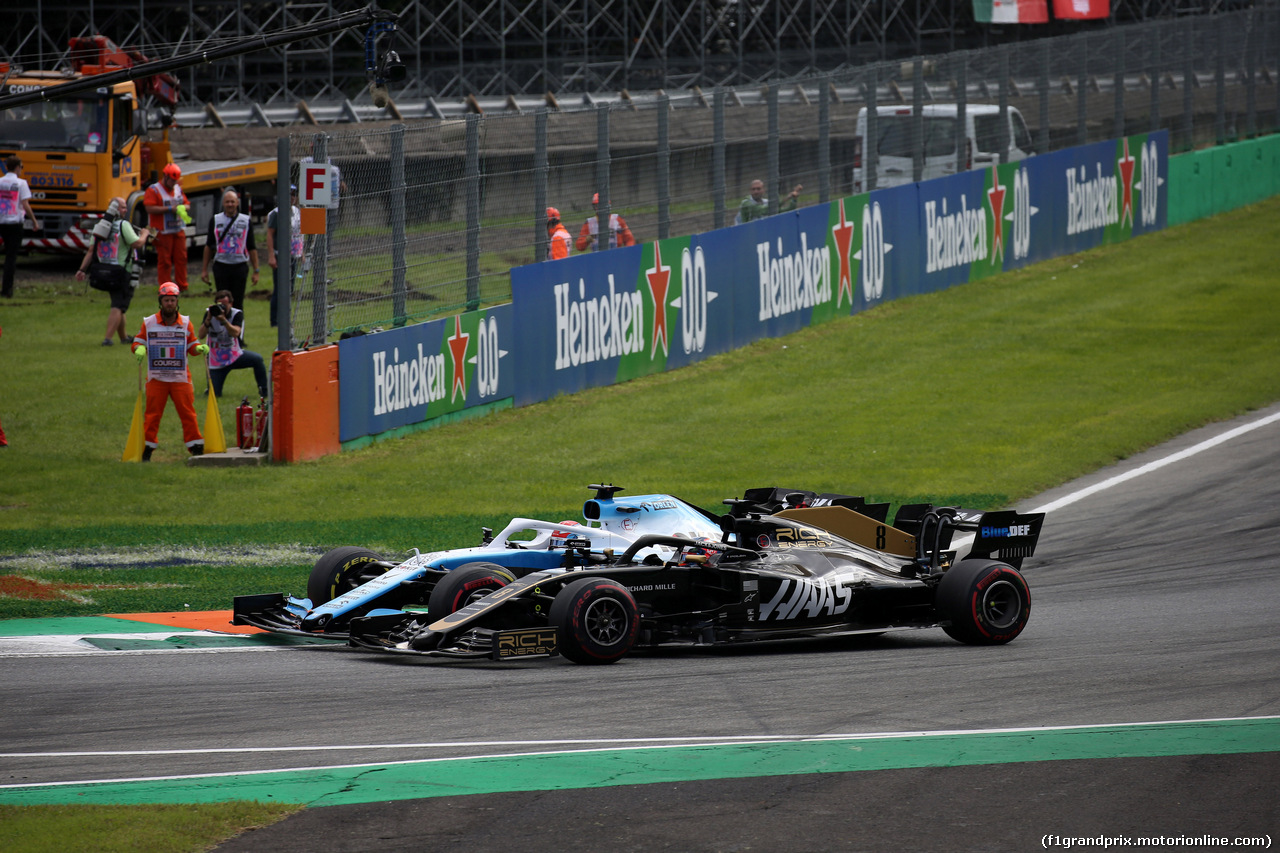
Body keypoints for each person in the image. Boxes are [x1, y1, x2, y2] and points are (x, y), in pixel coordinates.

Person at [130, 282, 208, 460]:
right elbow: (137, 342)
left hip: (180, 378)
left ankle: (195, 447)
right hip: (156, 378)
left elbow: (192, 346)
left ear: (177, 301)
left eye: (172, 300)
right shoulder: (149, 322)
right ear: (161, 301)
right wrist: (138, 349)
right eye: (166, 300)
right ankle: (146, 450)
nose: (170, 303)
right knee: (152, 415)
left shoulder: (186, 323)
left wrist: (199, 348)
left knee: (188, 412)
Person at [75, 197, 150, 346]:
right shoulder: (124, 225)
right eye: (122, 207)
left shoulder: (101, 226)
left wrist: (82, 269)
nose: (125, 210)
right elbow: (136, 243)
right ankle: (108, 339)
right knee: (118, 304)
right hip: (121, 272)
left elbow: (91, 250)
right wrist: (145, 234)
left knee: (119, 304)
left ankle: (123, 338)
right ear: (115, 209)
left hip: (104, 271)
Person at [198, 289, 267, 399]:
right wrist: (208, 319)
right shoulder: (210, 314)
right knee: (215, 395)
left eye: (225, 305)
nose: (222, 308)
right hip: (216, 360)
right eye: (219, 305)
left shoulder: (236, 314)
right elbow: (201, 335)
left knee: (257, 359)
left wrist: (224, 320)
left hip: (234, 355)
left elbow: (235, 333)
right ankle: (211, 387)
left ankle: (264, 391)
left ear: (231, 303)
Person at [200, 189, 259, 311]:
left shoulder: (246, 220)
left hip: (240, 265)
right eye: (227, 202)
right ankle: (222, 326)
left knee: (237, 301)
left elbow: (252, 247)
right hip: (221, 265)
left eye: (232, 202)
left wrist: (256, 270)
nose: (230, 205)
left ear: (237, 203)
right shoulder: (215, 220)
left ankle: (237, 327)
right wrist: (204, 269)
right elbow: (208, 245)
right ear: (223, 203)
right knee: (222, 300)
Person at [143, 163, 191, 292]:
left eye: (176, 181)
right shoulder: (153, 190)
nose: (174, 183)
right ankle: (165, 288)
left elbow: (187, 205)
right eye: (172, 180)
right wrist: (169, 209)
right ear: (165, 176)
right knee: (165, 261)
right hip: (162, 232)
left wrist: (182, 208)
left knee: (181, 258)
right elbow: (149, 207)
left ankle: (183, 286)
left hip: (178, 229)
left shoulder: (177, 189)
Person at [0, 156, 41, 299]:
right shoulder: (21, 183)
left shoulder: (0, 182)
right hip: (14, 223)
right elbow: (25, 205)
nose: (21, 170)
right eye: (21, 167)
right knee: (11, 257)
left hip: (1, 222)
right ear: (17, 167)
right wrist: (34, 221)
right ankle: (6, 290)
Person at [265, 184, 304, 328]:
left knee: (290, 289)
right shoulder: (276, 213)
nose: (292, 197)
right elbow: (270, 234)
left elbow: (300, 234)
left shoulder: (297, 212)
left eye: (294, 194)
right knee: (279, 288)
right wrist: (271, 256)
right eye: (289, 194)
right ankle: (275, 320)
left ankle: (286, 317)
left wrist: (302, 253)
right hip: (280, 256)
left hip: (294, 255)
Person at [735, 180, 803, 225]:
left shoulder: (766, 202)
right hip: (742, 233)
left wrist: (794, 199)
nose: (756, 192)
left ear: (764, 190)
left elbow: (785, 211)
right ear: (750, 191)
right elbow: (763, 210)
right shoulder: (746, 203)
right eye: (753, 189)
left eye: (758, 189)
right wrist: (788, 197)